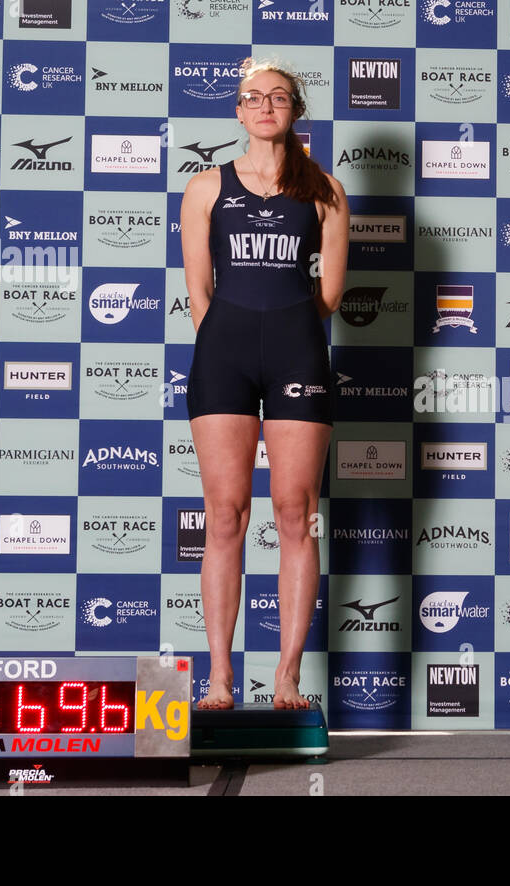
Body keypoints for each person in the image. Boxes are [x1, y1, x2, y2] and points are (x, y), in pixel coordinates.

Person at [180, 58, 349, 710]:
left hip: (297, 357)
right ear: (239, 110)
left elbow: (328, 295)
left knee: (294, 515)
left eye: (279, 97)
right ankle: (220, 678)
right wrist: (229, 338)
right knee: (224, 515)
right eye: (254, 97)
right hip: (223, 353)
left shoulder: (326, 192)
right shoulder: (204, 188)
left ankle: (285, 678)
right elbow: (199, 292)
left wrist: (282, 333)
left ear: (294, 110)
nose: (265, 106)